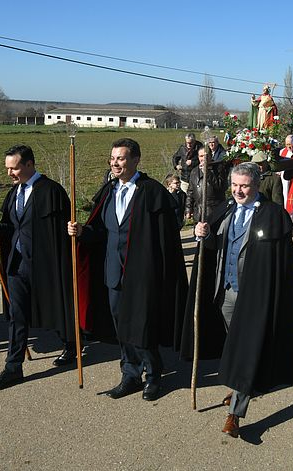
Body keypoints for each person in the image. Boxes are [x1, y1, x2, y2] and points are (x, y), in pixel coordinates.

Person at [183, 162, 293, 438]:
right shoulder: (225, 209)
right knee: (232, 344)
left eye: (244, 185)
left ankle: (235, 412)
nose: (238, 190)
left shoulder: (273, 215)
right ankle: (237, 384)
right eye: (234, 185)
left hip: (254, 297)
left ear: (257, 185)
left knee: (246, 349)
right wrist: (203, 234)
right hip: (224, 291)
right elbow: (212, 247)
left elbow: (281, 263)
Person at [69, 138, 187, 401]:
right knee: (122, 327)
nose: (115, 163)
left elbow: (166, 241)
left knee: (141, 327)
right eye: (112, 158)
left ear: (135, 160)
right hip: (114, 273)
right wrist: (81, 232)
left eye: (120, 158)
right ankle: (130, 374)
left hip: (143, 275)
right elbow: (100, 231)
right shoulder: (109, 191)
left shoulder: (153, 192)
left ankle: (154, 375)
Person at [0, 145, 77, 391]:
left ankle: (72, 344)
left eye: (14, 168)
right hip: (17, 264)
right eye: (8, 168)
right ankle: (13, 368)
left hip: (46, 265)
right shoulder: (14, 194)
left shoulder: (51, 191)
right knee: (16, 316)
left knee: (56, 306)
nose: (10, 173)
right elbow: (10, 228)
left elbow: (62, 232)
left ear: (29, 165)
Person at [185, 146, 229, 224]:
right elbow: (190, 192)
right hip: (199, 212)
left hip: (215, 211)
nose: (203, 158)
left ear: (210, 156)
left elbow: (222, 187)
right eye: (201, 156)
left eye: (206, 156)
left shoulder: (218, 168)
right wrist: (188, 208)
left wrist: (207, 173)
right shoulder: (194, 171)